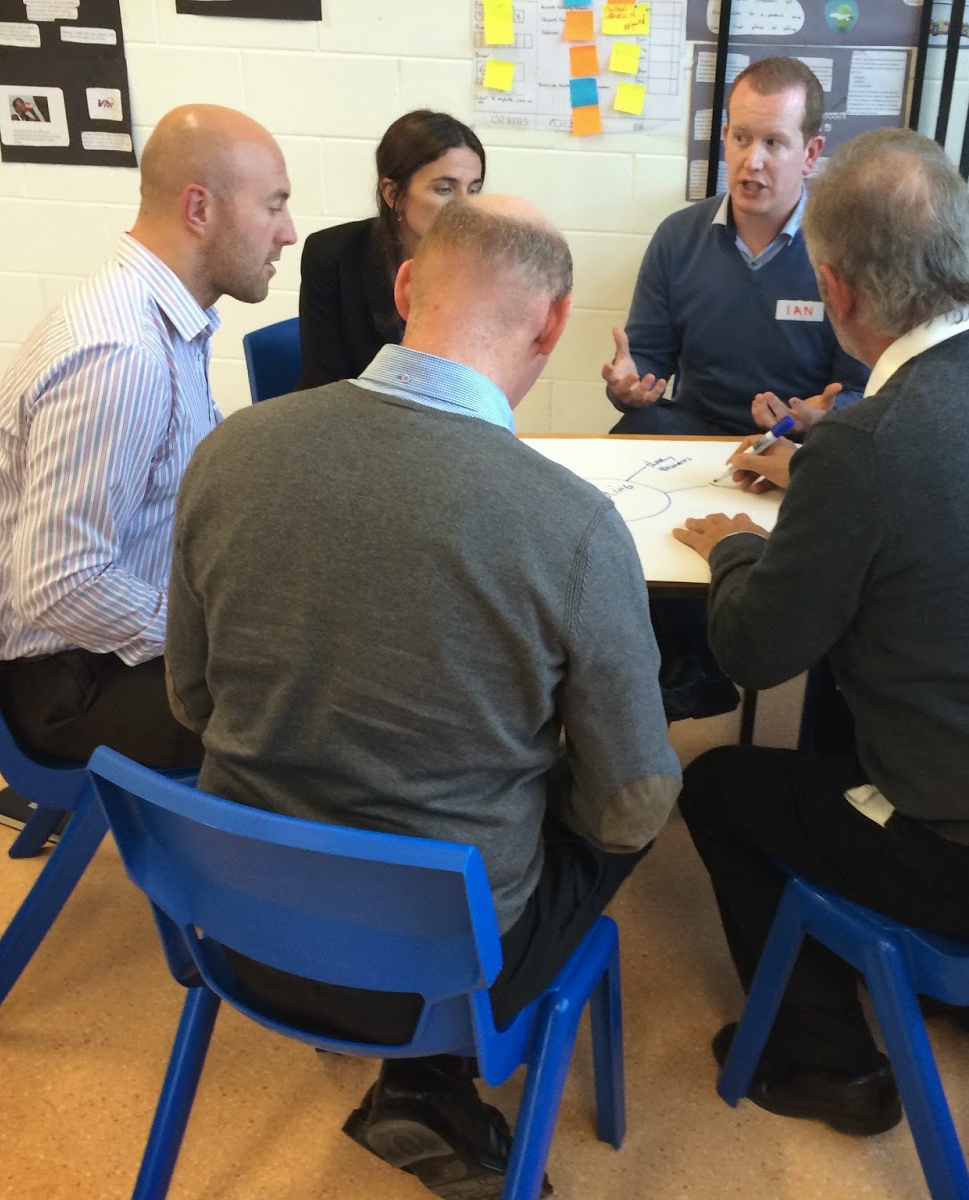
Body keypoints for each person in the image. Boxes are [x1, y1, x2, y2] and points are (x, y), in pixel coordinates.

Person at [166, 195, 681, 1198]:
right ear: (553, 323)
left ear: (407, 289)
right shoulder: (572, 526)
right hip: (442, 971)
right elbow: (631, 804)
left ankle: (417, 1082)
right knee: (624, 797)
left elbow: (191, 701)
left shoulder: (228, 453)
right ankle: (429, 1080)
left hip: (242, 926)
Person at [670, 129, 969, 1137]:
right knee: (866, 700)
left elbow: (754, 650)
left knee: (719, 787)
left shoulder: (866, 445)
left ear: (836, 289)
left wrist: (734, 549)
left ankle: (827, 1063)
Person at [0, 104, 296, 767]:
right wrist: (213, 635)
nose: (287, 233)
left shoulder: (164, 320)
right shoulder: (122, 355)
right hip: (72, 680)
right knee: (332, 713)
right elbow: (61, 584)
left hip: (112, 630)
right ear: (199, 209)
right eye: (273, 207)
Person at [602, 56, 867, 437]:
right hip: (694, 431)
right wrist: (629, 386)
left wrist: (816, 418)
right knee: (633, 427)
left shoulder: (847, 251)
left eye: (773, 143)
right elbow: (646, 358)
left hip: (798, 441)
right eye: (741, 138)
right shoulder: (678, 236)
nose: (752, 161)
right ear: (725, 137)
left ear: (810, 154)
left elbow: (861, 390)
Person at [297, 109, 485, 388]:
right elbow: (324, 382)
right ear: (393, 194)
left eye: (473, 190)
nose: (465, 208)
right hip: (351, 409)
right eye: (445, 189)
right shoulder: (332, 255)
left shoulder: (482, 264)